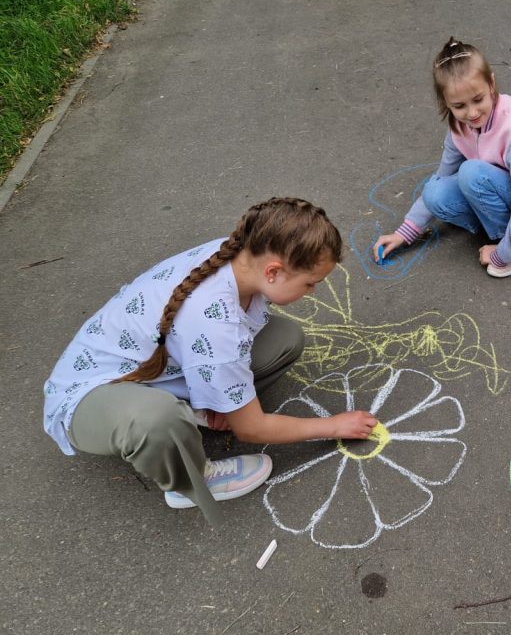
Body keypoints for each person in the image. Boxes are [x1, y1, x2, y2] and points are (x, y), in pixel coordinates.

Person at [43, 197, 377, 526]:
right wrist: (332, 426)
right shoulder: (215, 327)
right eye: (310, 283)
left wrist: (222, 396)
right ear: (274, 271)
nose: (312, 291)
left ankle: (203, 404)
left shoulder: (238, 254)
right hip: (91, 395)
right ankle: (191, 479)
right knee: (157, 421)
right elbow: (251, 429)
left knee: (283, 339)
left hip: (156, 368)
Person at [373, 37, 511, 278]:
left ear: (491, 84)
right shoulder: (458, 127)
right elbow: (442, 176)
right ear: (446, 103)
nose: (471, 113)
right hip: (503, 190)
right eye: (459, 106)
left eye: (478, 100)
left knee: (471, 173)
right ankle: (506, 231)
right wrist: (405, 232)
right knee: (435, 192)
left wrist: (505, 254)